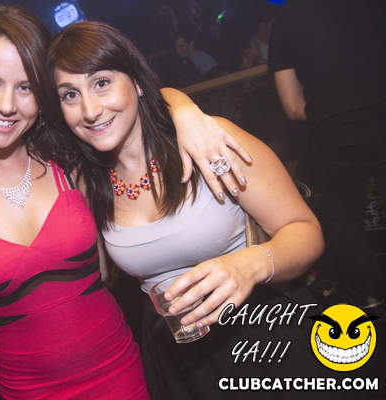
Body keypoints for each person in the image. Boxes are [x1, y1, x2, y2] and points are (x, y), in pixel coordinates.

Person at [0, 6, 255, 399]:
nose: (7, 105)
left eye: (25, 87)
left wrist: (183, 109)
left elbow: (132, 101)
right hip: (26, 384)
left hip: (115, 366)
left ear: (43, 96)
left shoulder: (72, 161)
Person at [48, 20, 325, 399]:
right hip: (177, 355)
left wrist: (249, 265)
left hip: (260, 333)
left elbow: (306, 231)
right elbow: (87, 276)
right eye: (70, 95)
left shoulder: (209, 142)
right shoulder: (87, 182)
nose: (90, 110)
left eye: (102, 83)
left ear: (137, 82)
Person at [269, 0, 386, 312]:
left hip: (336, 136)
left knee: (345, 221)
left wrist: (336, 113)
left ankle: (369, 295)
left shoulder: (285, 22)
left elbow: (293, 107)